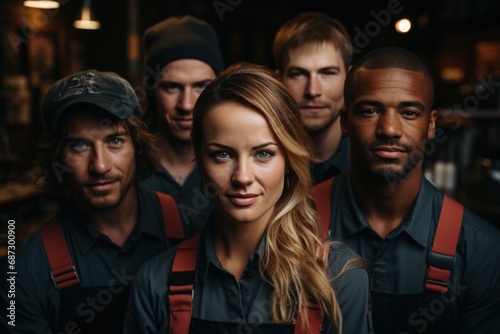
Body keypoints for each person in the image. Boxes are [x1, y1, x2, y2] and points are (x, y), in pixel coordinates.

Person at [124, 62, 372, 333]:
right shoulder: (156, 282)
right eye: (223, 154)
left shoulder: (339, 279)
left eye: (263, 154)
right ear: (199, 159)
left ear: (289, 160)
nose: (242, 177)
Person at [313, 47, 500, 333]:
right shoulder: (292, 223)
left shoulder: (480, 249)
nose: (389, 129)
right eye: (370, 110)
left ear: (431, 125)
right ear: (345, 122)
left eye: (409, 112)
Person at [0, 70, 185, 334]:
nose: (100, 165)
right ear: (58, 157)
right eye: (79, 146)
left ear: (138, 146)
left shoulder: (193, 227)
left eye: (115, 141)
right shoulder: (22, 270)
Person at [140, 15, 225, 234]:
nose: (186, 104)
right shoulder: (128, 169)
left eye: (200, 86)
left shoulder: (238, 168)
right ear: (151, 90)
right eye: (172, 87)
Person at [273, 12, 352, 185]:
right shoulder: (257, 164)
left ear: (349, 79)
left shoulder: (370, 161)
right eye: (298, 74)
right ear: (279, 81)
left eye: (328, 73)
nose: (313, 90)